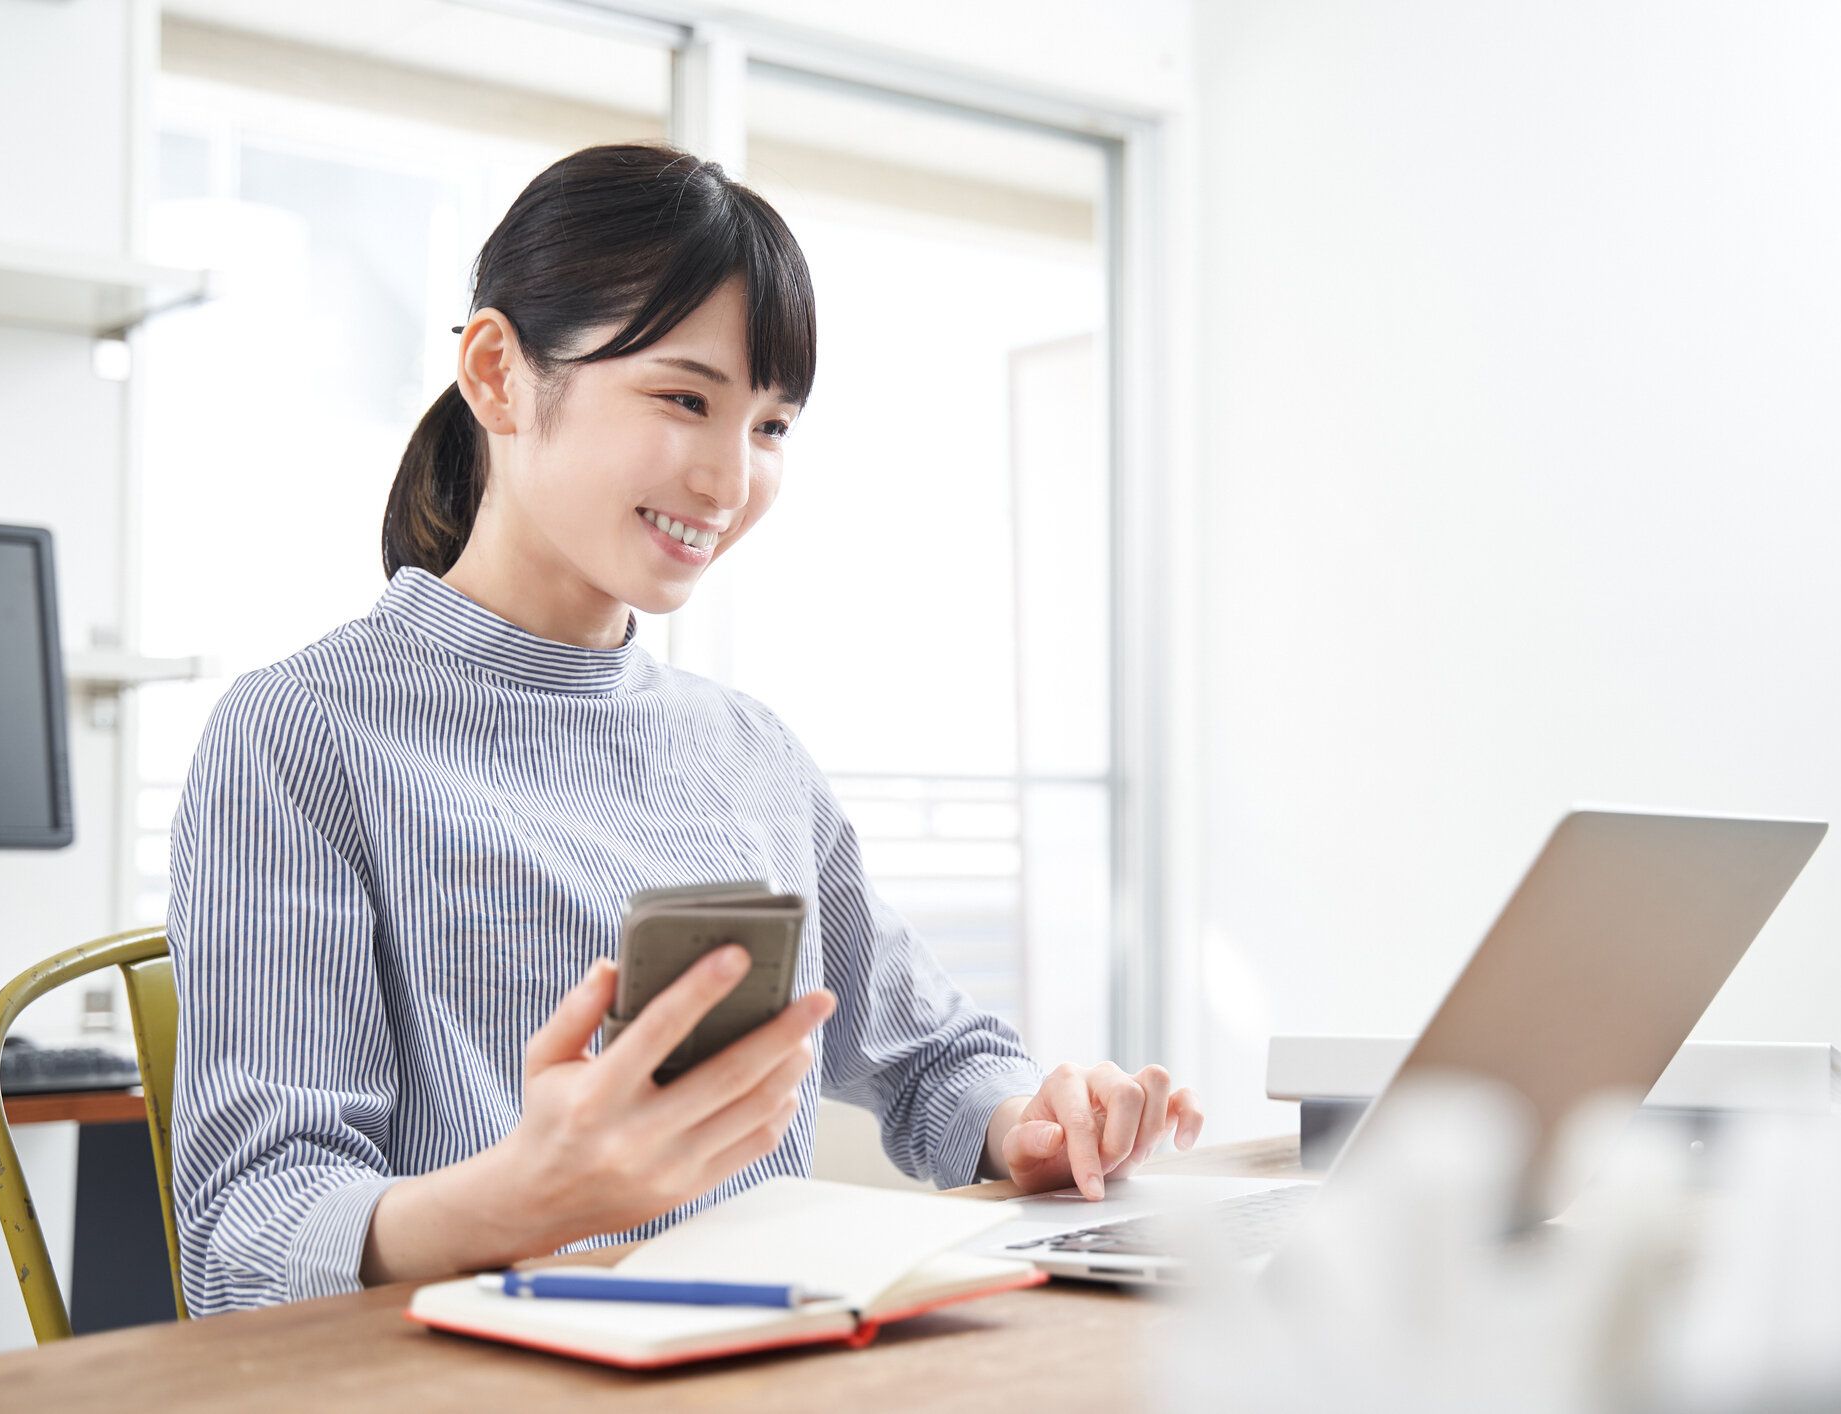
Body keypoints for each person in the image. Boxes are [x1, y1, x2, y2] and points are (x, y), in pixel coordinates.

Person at [167, 142, 1203, 1316]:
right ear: (500, 374)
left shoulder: (750, 753)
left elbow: (938, 1056)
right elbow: (243, 1237)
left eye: (771, 426)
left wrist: (1029, 1123)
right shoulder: (301, 737)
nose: (728, 479)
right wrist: (515, 1197)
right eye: (685, 398)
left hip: (769, 1359)